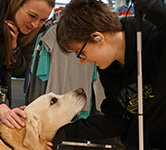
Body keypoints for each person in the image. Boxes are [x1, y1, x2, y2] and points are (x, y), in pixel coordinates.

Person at [50, 0, 166, 149]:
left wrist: (154, 8)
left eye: (81, 53)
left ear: (97, 37)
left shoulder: (155, 41)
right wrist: (68, 131)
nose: (83, 62)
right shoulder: (108, 70)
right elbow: (118, 120)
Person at [0, 0, 55, 130]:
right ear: (16, 4)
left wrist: (13, 48)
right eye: (31, 16)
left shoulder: (35, 32)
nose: (35, 24)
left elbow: (19, 70)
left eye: (43, 20)